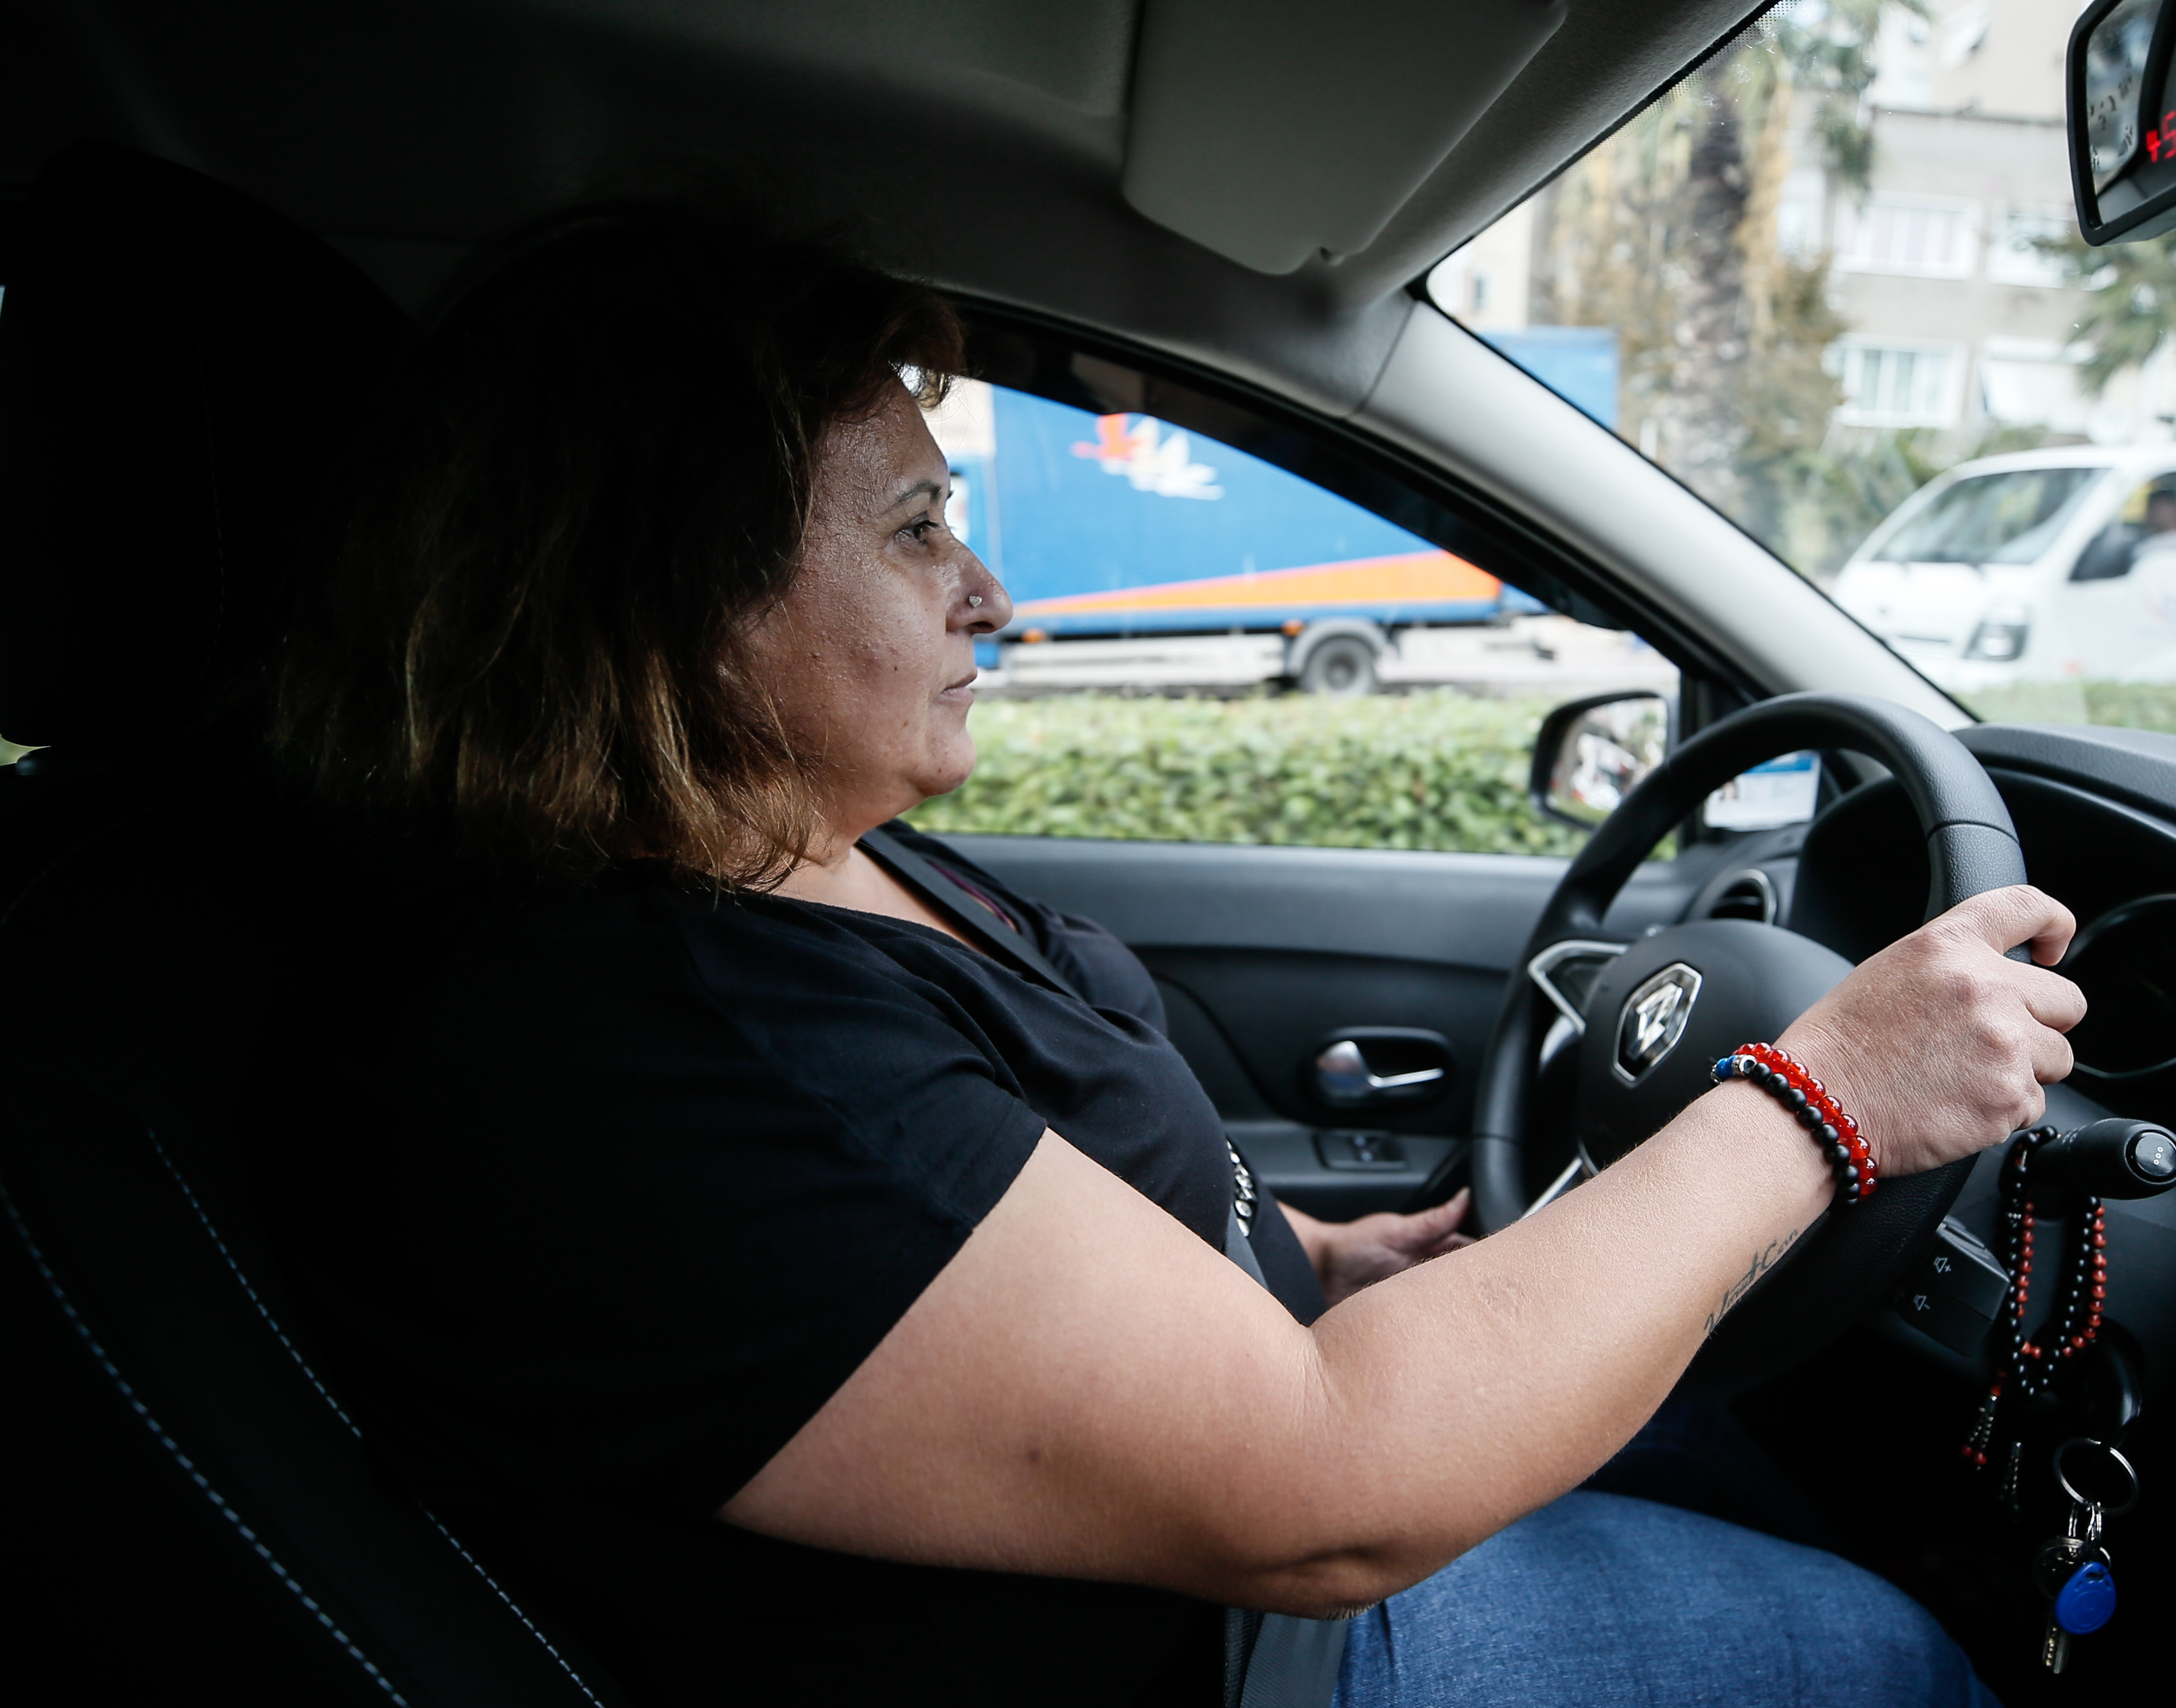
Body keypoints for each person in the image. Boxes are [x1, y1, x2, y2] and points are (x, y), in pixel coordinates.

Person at [263, 204, 2083, 1708]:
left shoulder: (800, 850)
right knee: (1890, 1653)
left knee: (1761, 1450)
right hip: (1245, 1640)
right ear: (668, 597)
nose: (990, 594)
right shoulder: (652, 1051)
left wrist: (1314, 1254)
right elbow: (1331, 1490)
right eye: (913, 529)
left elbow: (998, 1215)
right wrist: (1823, 1096)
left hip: (1242, 1482)